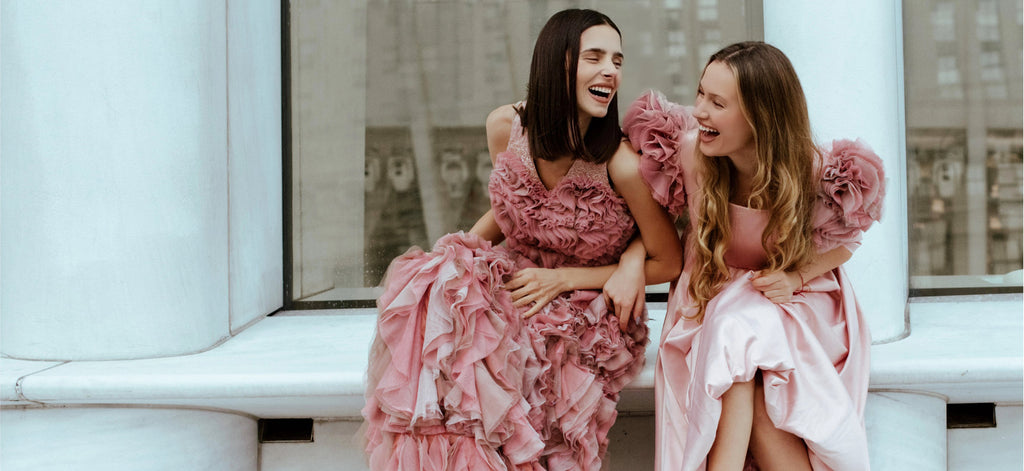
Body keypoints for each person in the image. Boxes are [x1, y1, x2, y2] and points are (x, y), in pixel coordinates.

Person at [361, 9, 682, 470]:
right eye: (594, 57)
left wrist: (570, 279)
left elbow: (669, 261)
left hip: (586, 305)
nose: (610, 71)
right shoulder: (505, 128)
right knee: (443, 305)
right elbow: (512, 207)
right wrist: (451, 258)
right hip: (518, 280)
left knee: (520, 364)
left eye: (617, 60)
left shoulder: (621, 163)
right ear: (557, 64)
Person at [620, 41, 885, 470]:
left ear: (759, 117)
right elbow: (653, 225)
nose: (699, 111)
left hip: (792, 297)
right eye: (701, 94)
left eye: (717, 103)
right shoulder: (688, 153)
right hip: (711, 291)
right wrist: (632, 261)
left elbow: (847, 243)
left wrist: (796, 277)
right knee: (740, 353)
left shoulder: (815, 170)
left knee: (738, 329)